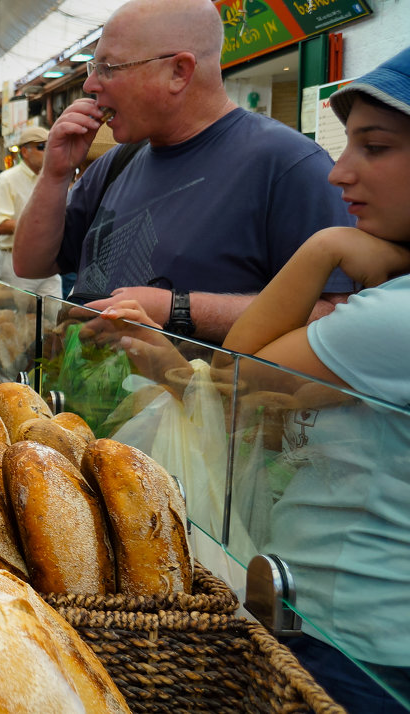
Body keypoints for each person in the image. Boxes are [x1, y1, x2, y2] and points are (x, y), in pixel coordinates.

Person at [217, 47, 410, 712]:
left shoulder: (399, 318)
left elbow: (234, 379)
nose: (339, 173)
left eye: (375, 147)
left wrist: (320, 249)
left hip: (355, 646)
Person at [12, 0, 354, 342]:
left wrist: (176, 309)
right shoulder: (118, 162)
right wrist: (55, 174)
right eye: (94, 68)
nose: (90, 86)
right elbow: (31, 266)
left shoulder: (290, 165)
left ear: (179, 71)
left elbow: (335, 315)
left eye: (109, 68)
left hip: (207, 395)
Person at [0, 126, 62, 298]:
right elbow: (1, 224)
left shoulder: (52, 179)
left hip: (48, 262)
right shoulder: (7, 179)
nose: (47, 151)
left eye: (50, 146)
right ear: (25, 151)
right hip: (15, 262)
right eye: (41, 147)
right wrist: (39, 226)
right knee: (17, 320)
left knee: (52, 315)